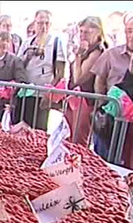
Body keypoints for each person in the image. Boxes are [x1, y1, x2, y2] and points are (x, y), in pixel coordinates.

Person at [91, 15, 133, 164]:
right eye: (129, 31)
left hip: (130, 125)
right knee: (103, 162)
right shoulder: (111, 54)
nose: (132, 35)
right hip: (111, 119)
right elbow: (99, 80)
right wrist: (103, 103)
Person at [16, 10, 67, 131]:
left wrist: (49, 94)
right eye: (40, 23)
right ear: (34, 24)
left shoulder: (56, 42)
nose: (43, 27)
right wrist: (27, 56)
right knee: (22, 127)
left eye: (47, 23)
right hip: (25, 92)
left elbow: (60, 73)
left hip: (43, 93)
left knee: (39, 130)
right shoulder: (27, 42)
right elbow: (18, 66)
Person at [66, 16, 107, 147]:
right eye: (81, 31)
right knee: (68, 136)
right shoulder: (86, 50)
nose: (83, 35)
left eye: (87, 32)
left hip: (85, 101)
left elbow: (79, 78)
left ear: (98, 32)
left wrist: (78, 56)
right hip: (75, 98)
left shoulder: (97, 52)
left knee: (78, 141)